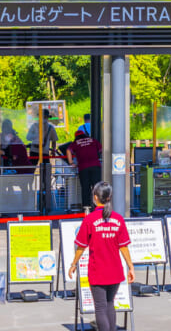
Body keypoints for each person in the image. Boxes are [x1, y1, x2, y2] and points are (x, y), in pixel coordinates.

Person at [69, 182, 136, 331]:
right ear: (109, 197)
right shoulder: (118, 219)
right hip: (116, 270)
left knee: (100, 306)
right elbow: (123, 246)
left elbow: (81, 246)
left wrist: (73, 264)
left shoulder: (90, 220)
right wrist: (131, 267)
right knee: (110, 303)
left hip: (97, 270)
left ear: (95, 197)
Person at [66, 129, 103, 208]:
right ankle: (98, 206)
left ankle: (86, 208)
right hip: (96, 166)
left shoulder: (75, 143)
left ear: (76, 137)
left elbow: (68, 150)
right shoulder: (93, 140)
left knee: (85, 188)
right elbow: (101, 150)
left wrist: (71, 162)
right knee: (96, 187)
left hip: (83, 168)